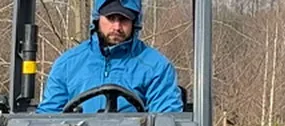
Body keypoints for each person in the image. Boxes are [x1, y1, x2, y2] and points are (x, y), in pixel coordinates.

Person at [36, 0, 183, 115]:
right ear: (98, 18)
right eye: (111, 18)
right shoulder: (67, 64)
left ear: (135, 22)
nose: (117, 27)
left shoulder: (157, 67)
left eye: (124, 19)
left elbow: (166, 121)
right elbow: (47, 118)